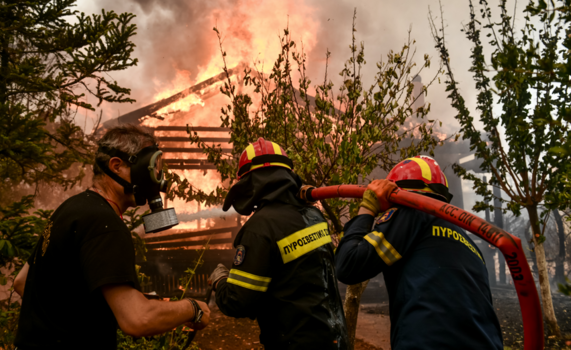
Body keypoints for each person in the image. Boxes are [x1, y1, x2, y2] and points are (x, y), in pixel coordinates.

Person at [13, 125, 210, 350]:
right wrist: (192, 308)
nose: (156, 177)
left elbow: (22, 282)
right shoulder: (105, 225)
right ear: (116, 166)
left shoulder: (70, 209)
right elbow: (138, 320)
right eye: (150, 167)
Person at [335, 156, 503, 350]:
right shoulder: (468, 242)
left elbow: (348, 265)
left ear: (395, 191)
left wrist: (367, 209)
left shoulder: (412, 214)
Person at [207, 138, 348, 349]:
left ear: (249, 183)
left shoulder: (259, 229)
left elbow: (238, 302)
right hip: (335, 339)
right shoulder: (313, 215)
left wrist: (220, 281)